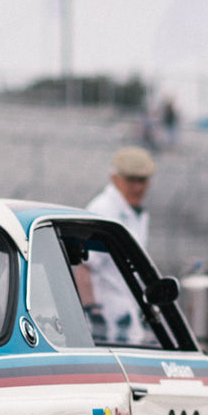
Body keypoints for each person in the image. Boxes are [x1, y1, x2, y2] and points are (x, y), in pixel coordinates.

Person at [80, 145, 157, 344]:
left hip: (127, 311)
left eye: (142, 180)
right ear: (115, 178)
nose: (137, 187)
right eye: (131, 180)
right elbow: (82, 264)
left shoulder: (137, 213)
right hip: (106, 317)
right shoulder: (104, 209)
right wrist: (92, 311)